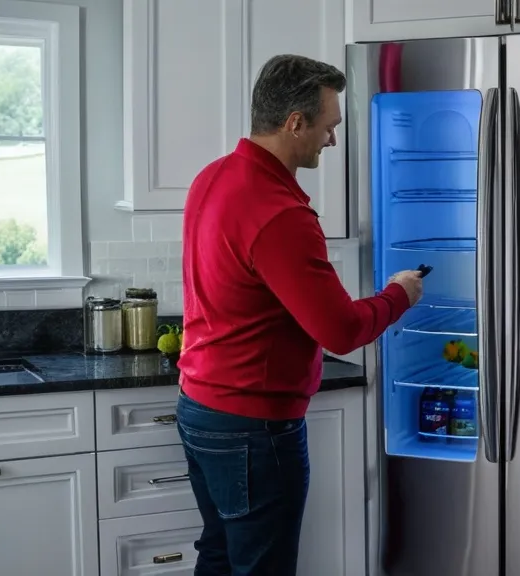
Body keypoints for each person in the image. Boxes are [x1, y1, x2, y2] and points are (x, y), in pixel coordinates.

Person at [176, 54, 424, 576]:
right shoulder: (280, 213)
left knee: (220, 555)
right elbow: (339, 329)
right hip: (253, 425)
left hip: (199, 407)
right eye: (328, 126)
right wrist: (400, 294)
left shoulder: (212, 177)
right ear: (294, 123)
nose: (331, 141)